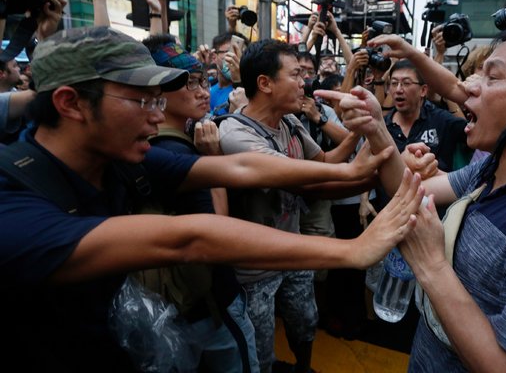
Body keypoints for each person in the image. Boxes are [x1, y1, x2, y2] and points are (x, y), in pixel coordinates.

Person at [0, 26, 427, 371]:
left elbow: (241, 168)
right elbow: (187, 237)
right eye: (141, 99)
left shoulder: (119, 159)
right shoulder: (12, 199)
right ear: (70, 103)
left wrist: (353, 169)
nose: (156, 113)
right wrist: (351, 249)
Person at [318, 0, 506, 371]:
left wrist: (432, 266)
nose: (467, 87)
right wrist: (376, 128)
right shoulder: (491, 170)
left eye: (492, 78)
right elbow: (410, 189)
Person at [218, 39, 368, 373]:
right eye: (296, 74)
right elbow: (307, 180)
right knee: (259, 347)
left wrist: (358, 133)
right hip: (254, 269)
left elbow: (326, 161)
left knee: (305, 321)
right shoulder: (235, 135)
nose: (304, 82)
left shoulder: (290, 122)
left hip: (293, 247)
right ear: (265, 83)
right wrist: (362, 170)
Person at [143, 34, 258, 372]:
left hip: (178, 302)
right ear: (157, 90)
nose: (203, 90)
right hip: (209, 303)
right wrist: (213, 160)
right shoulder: (173, 150)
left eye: (203, 80)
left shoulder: (157, 138)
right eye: (188, 82)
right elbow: (217, 232)